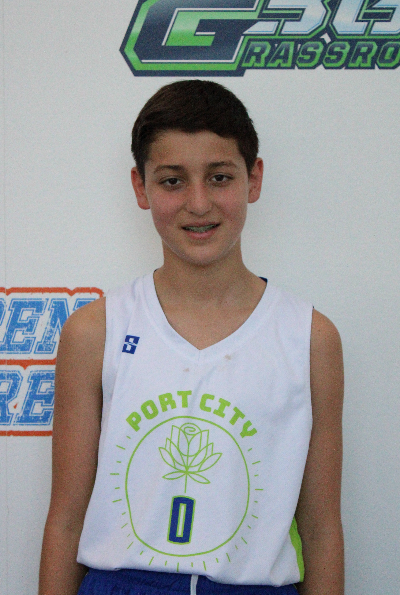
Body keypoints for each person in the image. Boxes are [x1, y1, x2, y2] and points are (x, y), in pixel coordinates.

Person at [39, 80, 344, 595]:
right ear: (140, 188)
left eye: (219, 177)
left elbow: (321, 529)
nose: (198, 203)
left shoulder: (310, 338)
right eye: (173, 181)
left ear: (254, 179)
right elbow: (66, 518)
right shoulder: (95, 331)